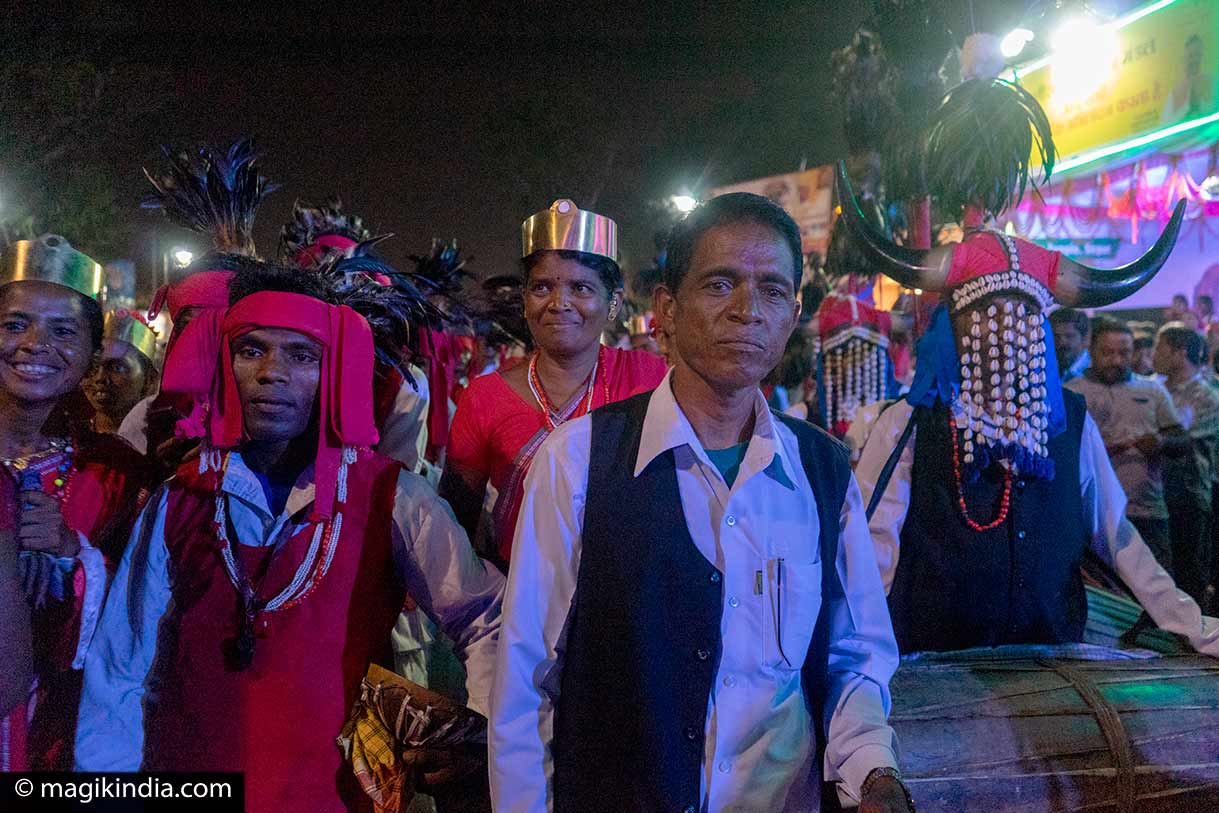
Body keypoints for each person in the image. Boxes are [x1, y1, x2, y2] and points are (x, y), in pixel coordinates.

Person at [491, 193, 911, 812]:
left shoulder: (823, 472)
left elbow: (854, 657)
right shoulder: (577, 462)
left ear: (794, 314)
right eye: (719, 284)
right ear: (667, 308)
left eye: (772, 291)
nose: (747, 311)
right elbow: (527, 686)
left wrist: (872, 770)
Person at [75, 264, 504, 811]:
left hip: (340, 796)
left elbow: (485, 616)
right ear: (223, 363)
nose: (271, 373)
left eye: (302, 356)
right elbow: (121, 668)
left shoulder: (393, 498)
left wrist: (481, 731)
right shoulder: (180, 499)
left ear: (334, 371)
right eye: (251, 350)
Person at [838, 72, 1219, 657]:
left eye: (1023, 314)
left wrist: (1193, 625)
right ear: (956, 325)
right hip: (940, 671)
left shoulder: (1069, 421)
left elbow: (1116, 536)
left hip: (1054, 662)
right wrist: (863, 663)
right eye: (987, 314)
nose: (1008, 329)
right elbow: (871, 553)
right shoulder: (910, 423)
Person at [441, 199, 667, 567]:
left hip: (627, 591)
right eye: (542, 287)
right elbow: (455, 529)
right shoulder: (484, 398)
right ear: (525, 300)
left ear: (613, 303)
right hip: (515, 592)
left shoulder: (652, 379)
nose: (559, 303)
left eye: (581, 288)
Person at [0, 234, 153, 770]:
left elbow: (144, 611)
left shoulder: (114, 473)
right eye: (14, 324)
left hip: (56, 735)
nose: (34, 344)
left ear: (90, 352)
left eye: (63, 331)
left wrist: (72, 554)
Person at [118, 139, 275, 464]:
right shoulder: (145, 420)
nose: (211, 343)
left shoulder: (284, 416)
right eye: (193, 327)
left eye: (229, 329)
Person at [1067, 318, 1188, 574]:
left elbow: (1181, 441)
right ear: (1091, 350)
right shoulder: (1071, 393)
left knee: (1156, 588)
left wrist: (1161, 442)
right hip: (1091, 515)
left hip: (1146, 511)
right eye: (1107, 353)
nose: (1116, 360)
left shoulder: (1153, 391)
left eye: (1124, 353)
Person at [1154, 323, 1219, 602]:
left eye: (1160, 348)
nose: (1154, 355)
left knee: (1188, 568)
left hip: (1189, 493)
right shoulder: (1154, 388)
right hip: (1152, 493)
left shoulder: (1205, 396)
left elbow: (1183, 439)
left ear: (1180, 353)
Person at [85, 310, 159, 435]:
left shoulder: (163, 440)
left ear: (149, 379)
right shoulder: (67, 433)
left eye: (117, 368)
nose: (100, 377)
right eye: (93, 365)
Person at [1049, 306, 1090, 382]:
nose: (1061, 342)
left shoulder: (1094, 370)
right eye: (1056, 336)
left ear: (1084, 338)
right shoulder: (1049, 366)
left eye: (1069, 336)